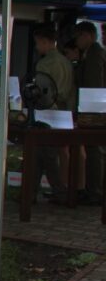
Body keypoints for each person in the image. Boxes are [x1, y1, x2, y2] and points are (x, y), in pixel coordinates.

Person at [32, 24, 75, 202]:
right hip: (64, 113)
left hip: (48, 112)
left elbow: (41, 91)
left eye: (37, 43)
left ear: (44, 41)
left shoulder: (45, 64)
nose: (36, 47)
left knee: (44, 154)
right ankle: (36, 191)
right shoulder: (66, 62)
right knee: (48, 153)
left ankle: (58, 192)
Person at [75, 21, 106, 205]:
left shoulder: (95, 53)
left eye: (78, 37)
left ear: (86, 36)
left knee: (95, 150)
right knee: (93, 150)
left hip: (94, 109)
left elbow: (93, 84)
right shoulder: (91, 53)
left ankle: (95, 191)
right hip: (94, 107)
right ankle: (93, 189)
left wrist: (89, 110)